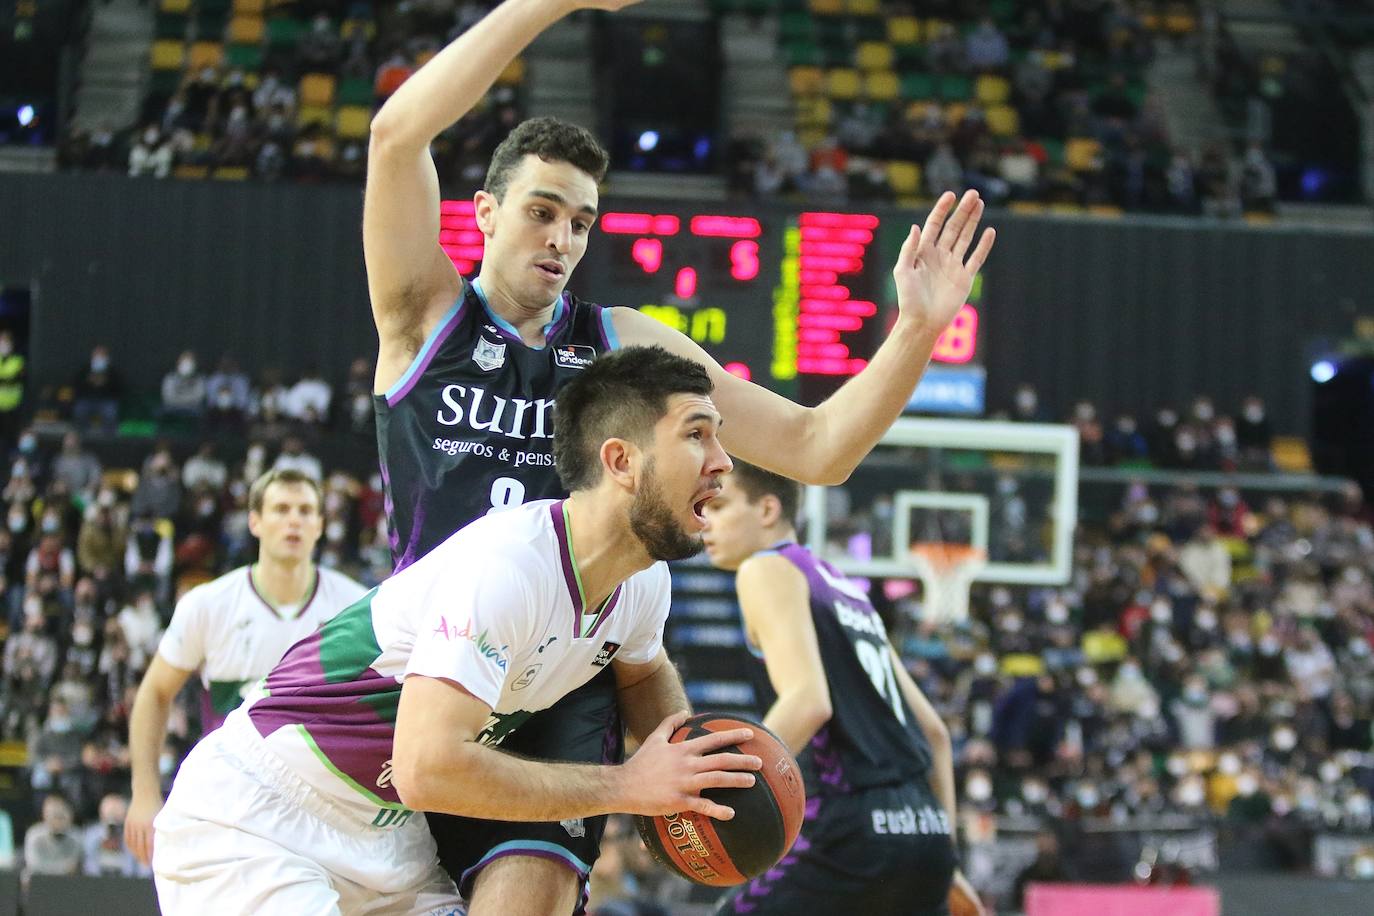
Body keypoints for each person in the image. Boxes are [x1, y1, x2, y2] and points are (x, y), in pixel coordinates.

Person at [362, 0, 994, 909]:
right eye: (542, 212)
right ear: (487, 213)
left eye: (581, 222)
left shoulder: (620, 344)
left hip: (568, 677)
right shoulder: (425, 314)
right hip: (439, 662)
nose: (563, 239)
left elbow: (818, 447)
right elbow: (394, 135)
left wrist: (919, 330)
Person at [150, 347, 761, 914]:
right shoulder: (508, 567)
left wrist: (689, 776)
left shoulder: (643, 582)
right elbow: (426, 769)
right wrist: (629, 785)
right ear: (621, 461)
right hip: (261, 815)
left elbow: (645, 668)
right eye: (696, 434)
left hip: (388, 841)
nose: (723, 462)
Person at [701, 460, 985, 915]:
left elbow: (808, 701)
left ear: (768, 509)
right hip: (926, 831)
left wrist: (724, 786)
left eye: (719, 505)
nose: (704, 520)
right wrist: (946, 861)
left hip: (850, 826)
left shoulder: (764, 569)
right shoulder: (848, 592)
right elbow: (934, 733)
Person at [124, 468, 367, 866]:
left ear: (321, 525)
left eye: (306, 511)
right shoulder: (208, 604)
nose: (294, 520)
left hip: (325, 813)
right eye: (281, 509)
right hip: (231, 804)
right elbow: (154, 693)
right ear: (254, 521)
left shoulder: (356, 608)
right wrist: (145, 791)